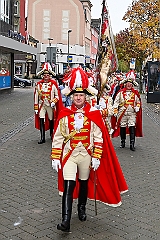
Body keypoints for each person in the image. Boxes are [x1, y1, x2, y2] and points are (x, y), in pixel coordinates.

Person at [51, 66, 128, 232]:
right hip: (69, 155)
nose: (78, 98)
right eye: (76, 95)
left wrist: (97, 157)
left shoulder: (94, 113)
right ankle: (65, 220)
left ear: (85, 96)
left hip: (86, 154)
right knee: (69, 184)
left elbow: (98, 137)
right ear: (71, 97)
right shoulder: (64, 113)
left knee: (84, 183)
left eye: (81, 95)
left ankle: (82, 207)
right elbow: (58, 137)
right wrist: (55, 157)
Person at [112, 70, 143, 151]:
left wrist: (138, 107)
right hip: (122, 112)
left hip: (132, 113)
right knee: (122, 126)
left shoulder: (135, 93)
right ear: (125, 84)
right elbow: (116, 102)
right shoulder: (120, 93)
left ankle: (132, 144)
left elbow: (138, 102)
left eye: (130, 84)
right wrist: (115, 110)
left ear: (132, 85)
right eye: (127, 84)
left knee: (132, 126)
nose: (129, 85)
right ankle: (123, 142)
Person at [34, 62, 63, 144]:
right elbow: (36, 97)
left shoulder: (53, 84)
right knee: (41, 119)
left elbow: (57, 96)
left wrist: (54, 102)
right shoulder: (38, 85)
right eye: (44, 74)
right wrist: (36, 107)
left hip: (50, 105)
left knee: (51, 120)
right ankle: (42, 137)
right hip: (42, 105)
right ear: (42, 75)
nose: (46, 76)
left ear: (50, 75)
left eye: (47, 74)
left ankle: (51, 134)